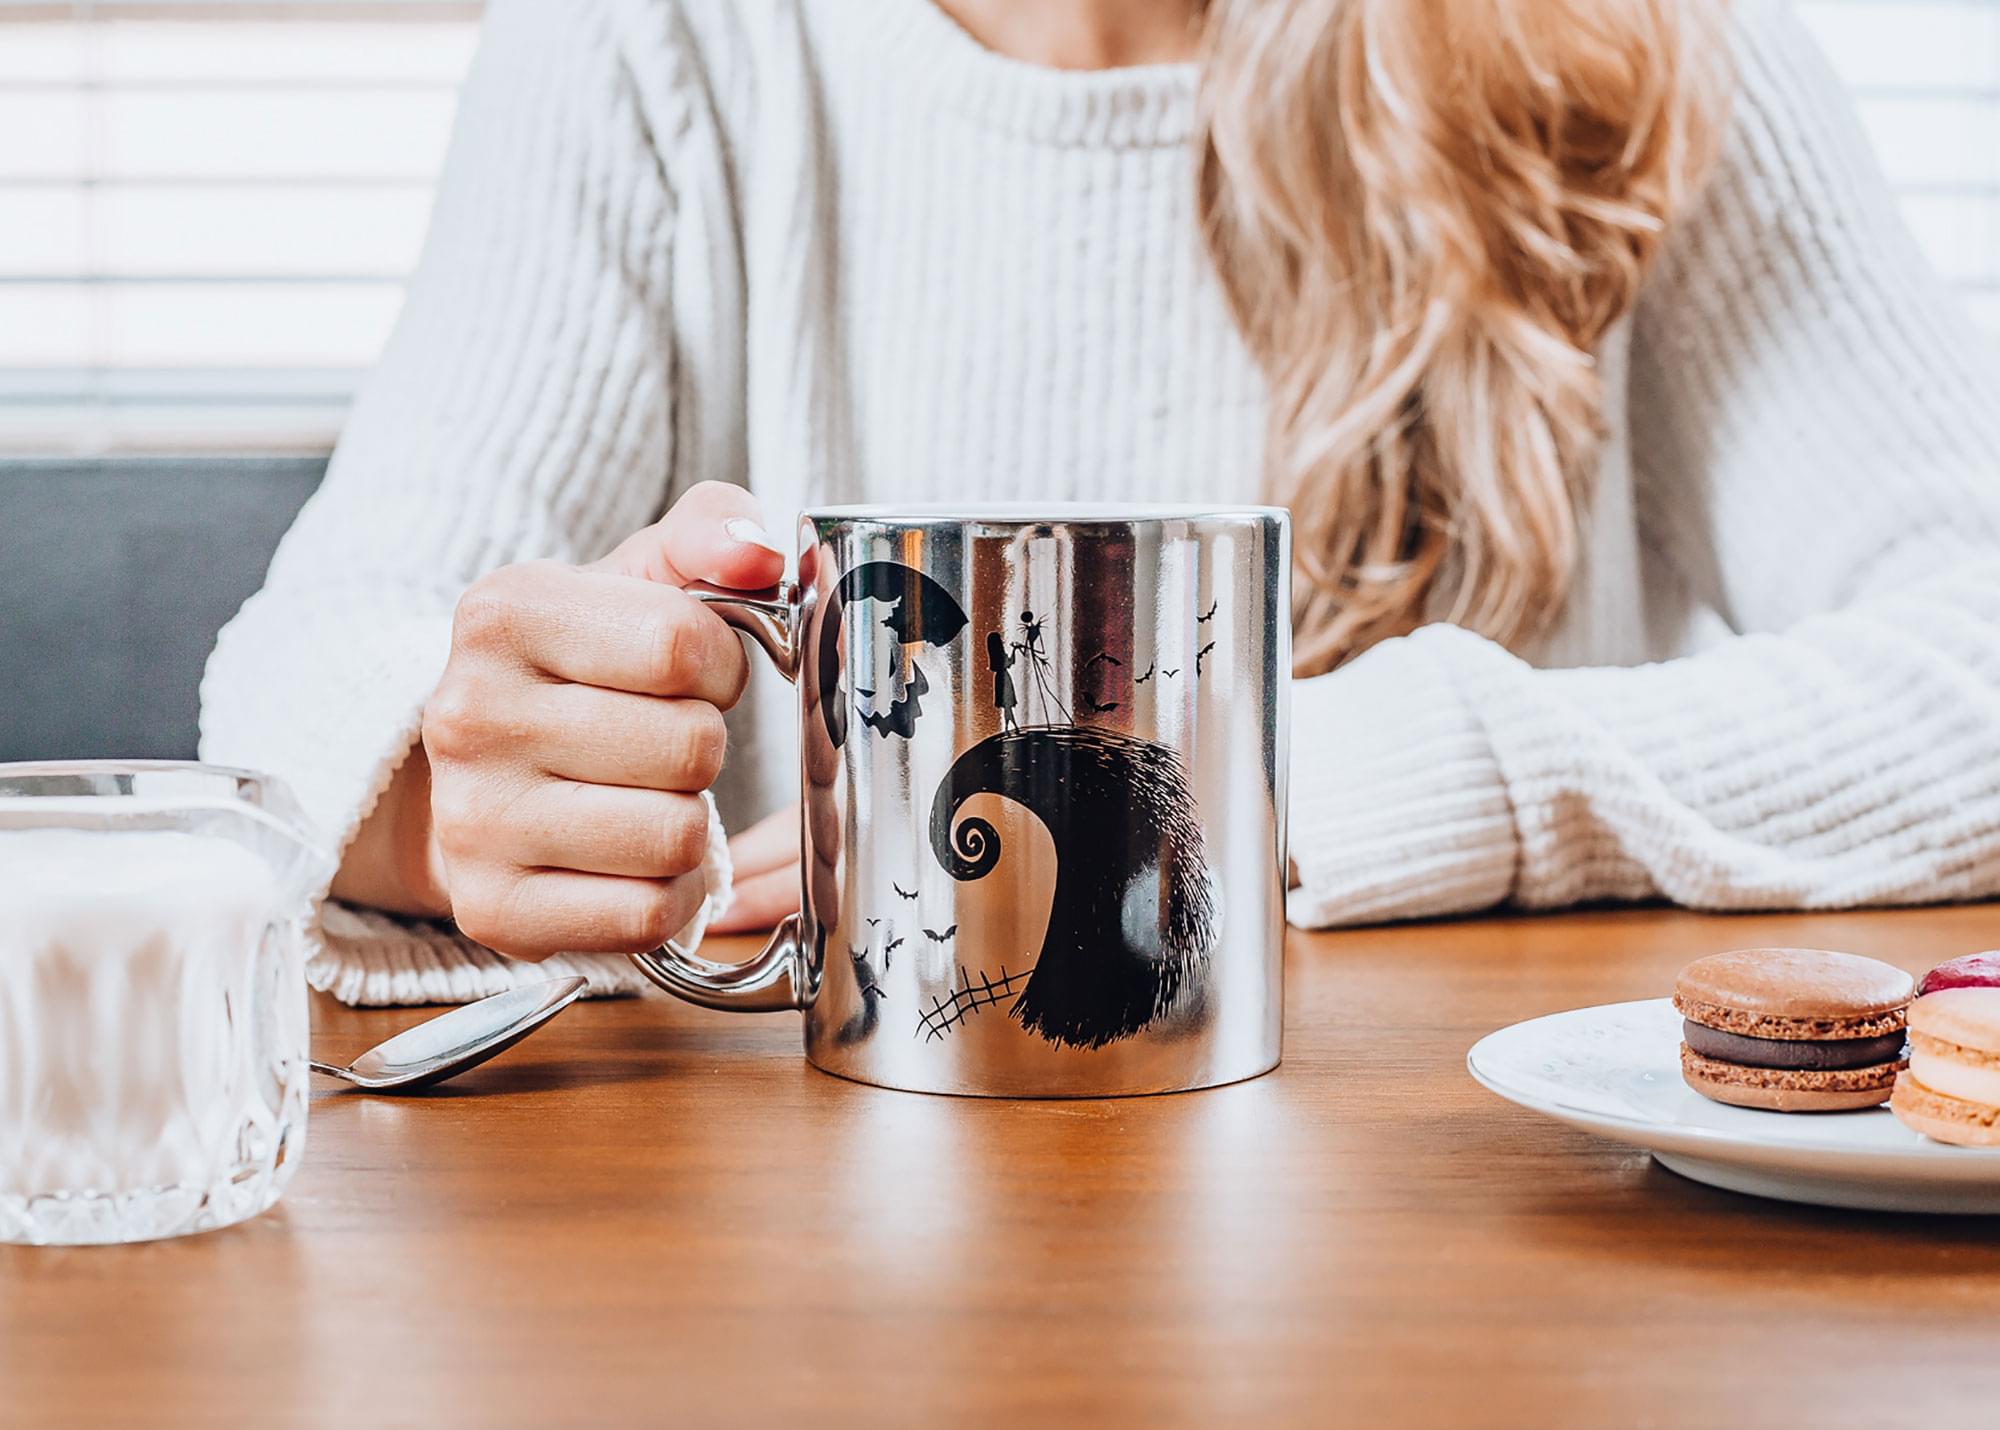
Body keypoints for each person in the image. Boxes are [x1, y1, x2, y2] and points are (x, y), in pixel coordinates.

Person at [201, 0, 2000, 1005]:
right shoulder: (661, 52)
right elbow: (307, 675)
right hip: (814, 1309)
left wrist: (1323, 779)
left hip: (1488, 1330)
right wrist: (448, 801)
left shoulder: (1634, 53)